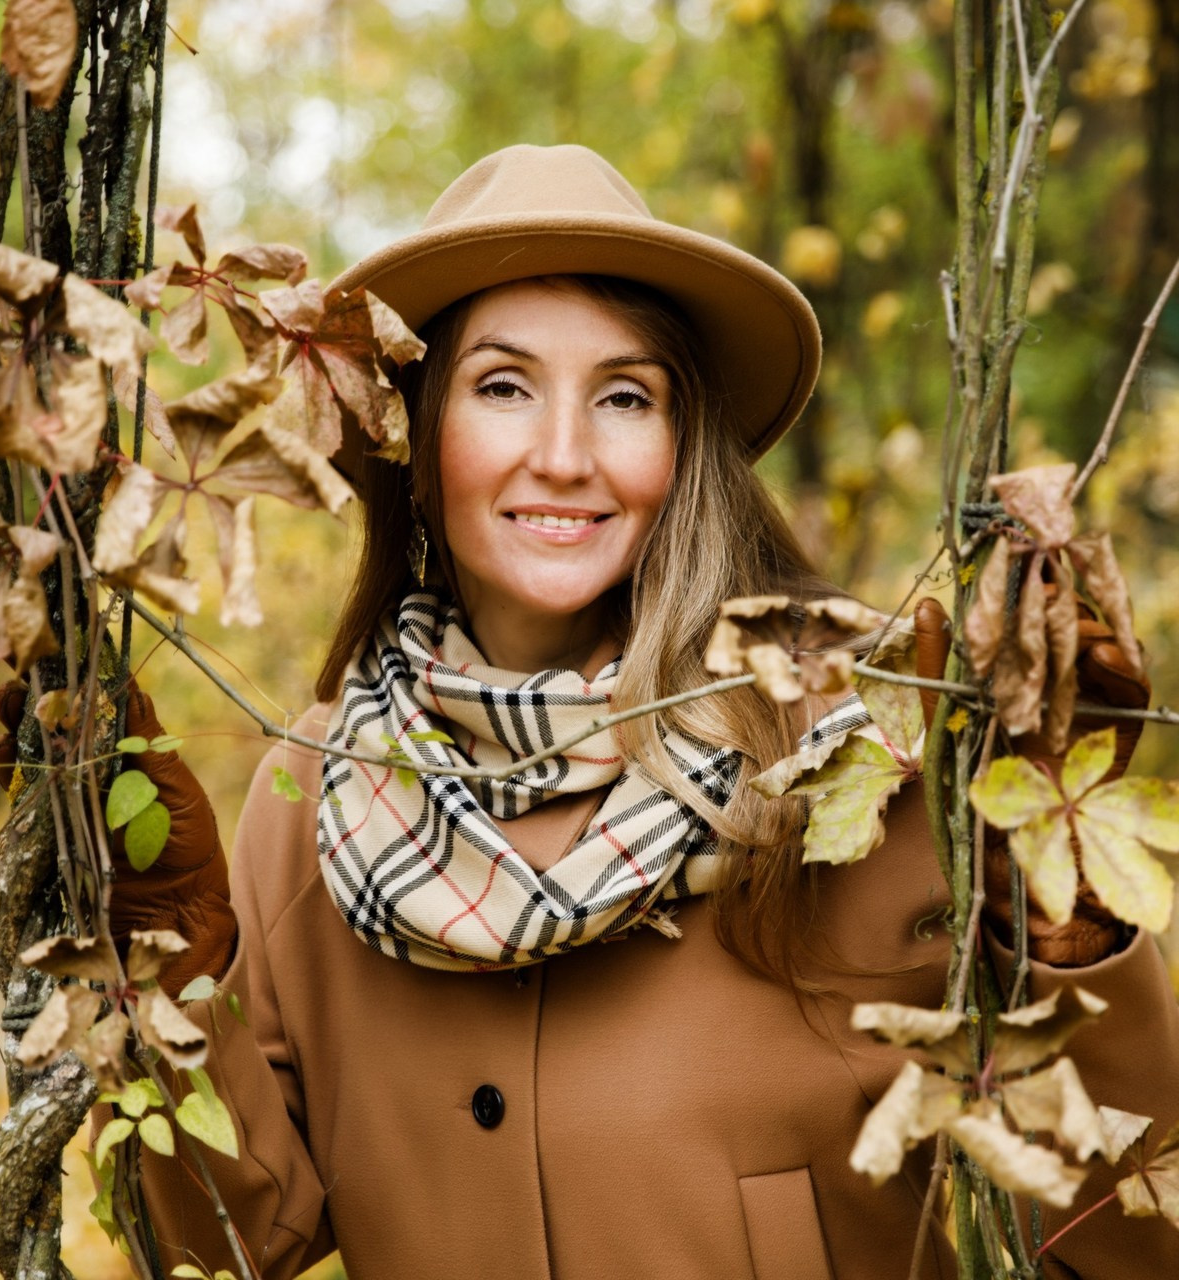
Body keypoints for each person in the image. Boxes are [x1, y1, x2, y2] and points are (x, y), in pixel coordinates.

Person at [72, 146, 1179, 1278]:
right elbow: (225, 1247)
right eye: (503, 387)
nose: (563, 457)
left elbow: (1125, 1242)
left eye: (623, 397)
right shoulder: (314, 795)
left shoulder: (849, 752)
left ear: (681, 445)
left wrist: (1062, 911)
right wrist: (172, 954)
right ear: (415, 432)